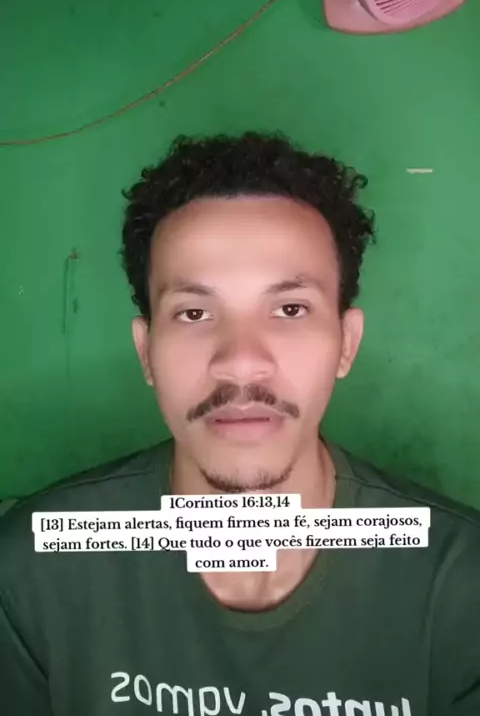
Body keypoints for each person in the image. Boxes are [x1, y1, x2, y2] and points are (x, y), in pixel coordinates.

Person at [0, 131, 479, 716]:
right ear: (147, 352)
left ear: (346, 344)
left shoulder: (461, 584)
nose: (242, 361)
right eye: (194, 312)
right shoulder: (30, 571)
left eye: (290, 309)